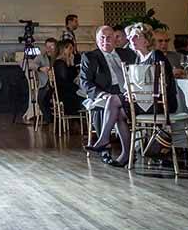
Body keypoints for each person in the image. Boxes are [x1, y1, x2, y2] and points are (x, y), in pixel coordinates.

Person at [81, 25, 137, 167]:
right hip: (104, 91)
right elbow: (85, 82)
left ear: (115, 39)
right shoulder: (90, 57)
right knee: (104, 106)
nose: (105, 41)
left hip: (128, 92)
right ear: (97, 40)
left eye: (109, 37)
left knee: (115, 107)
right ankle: (105, 150)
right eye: (102, 38)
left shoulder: (127, 54)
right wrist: (102, 94)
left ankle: (108, 143)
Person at [22, 37, 58, 122]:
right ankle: (49, 119)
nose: (49, 49)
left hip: (58, 84)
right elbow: (30, 64)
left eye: (52, 46)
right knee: (41, 99)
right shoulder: (41, 57)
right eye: (47, 46)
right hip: (45, 84)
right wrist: (40, 68)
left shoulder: (58, 57)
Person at [51, 39, 81, 125]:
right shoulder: (59, 63)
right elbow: (66, 79)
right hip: (65, 92)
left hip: (66, 89)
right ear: (63, 49)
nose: (72, 51)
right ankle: (80, 122)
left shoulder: (64, 62)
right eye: (70, 48)